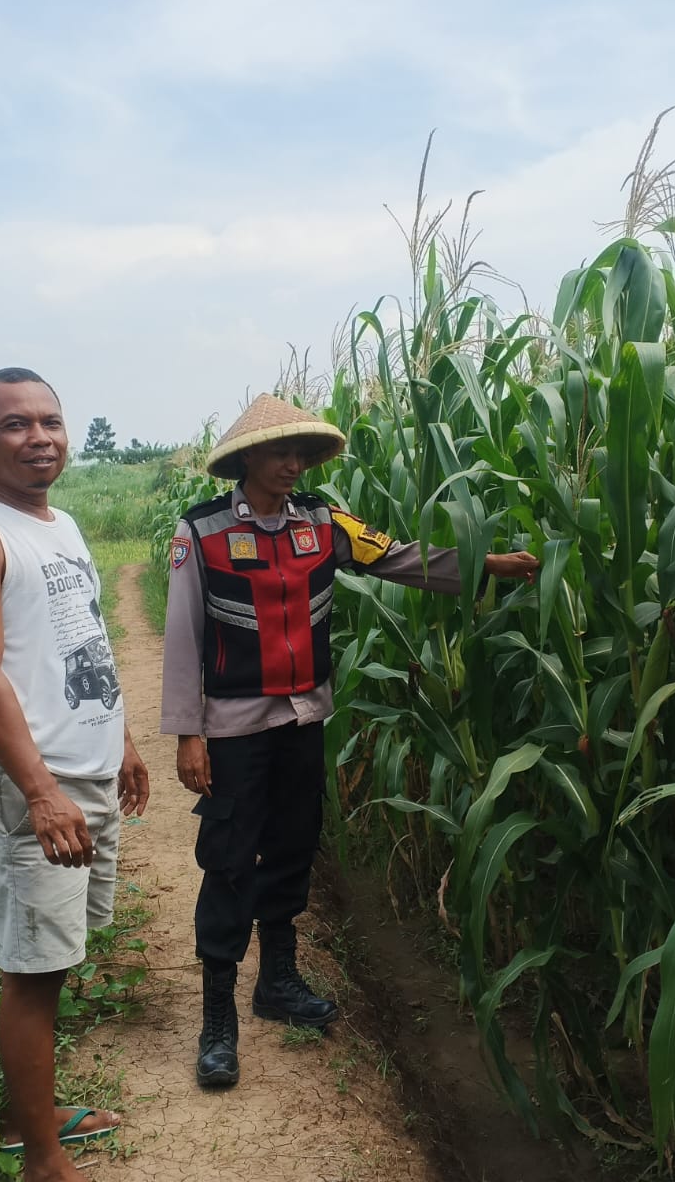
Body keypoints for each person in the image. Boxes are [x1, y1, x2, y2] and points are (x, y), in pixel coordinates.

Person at [160, 393, 538, 1088]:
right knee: (229, 859)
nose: (291, 464)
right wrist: (189, 733)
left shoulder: (325, 523)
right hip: (236, 728)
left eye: (300, 453)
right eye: (279, 452)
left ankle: (277, 981)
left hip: (305, 721)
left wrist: (486, 564)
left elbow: (398, 558)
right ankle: (219, 1017)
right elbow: (183, 637)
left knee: (294, 845)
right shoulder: (202, 532)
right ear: (246, 458)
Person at [0, 367, 150, 1182]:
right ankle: (42, 1157)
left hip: (82, 771)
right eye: (15, 425)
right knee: (32, 971)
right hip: (37, 784)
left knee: (57, 958)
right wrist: (43, 791)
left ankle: (35, 1112)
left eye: (50, 421)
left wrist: (120, 739)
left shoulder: (62, 525)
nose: (40, 438)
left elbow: (79, 642)